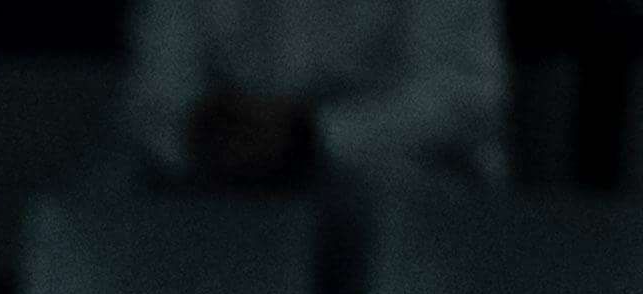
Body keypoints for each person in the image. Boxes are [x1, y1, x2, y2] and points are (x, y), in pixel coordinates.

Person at [119, 0, 508, 196]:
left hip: (405, 211)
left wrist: (313, 135)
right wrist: (206, 132)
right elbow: (159, 94)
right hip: (221, 199)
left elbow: (464, 97)